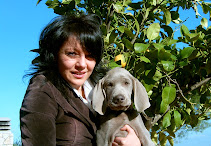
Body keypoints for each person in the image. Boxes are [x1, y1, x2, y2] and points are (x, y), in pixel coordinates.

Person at [20, 13, 141, 146]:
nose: (82, 64)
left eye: (89, 56)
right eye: (72, 53)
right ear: (54, 55)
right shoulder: (43, 89)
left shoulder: (100, 89)